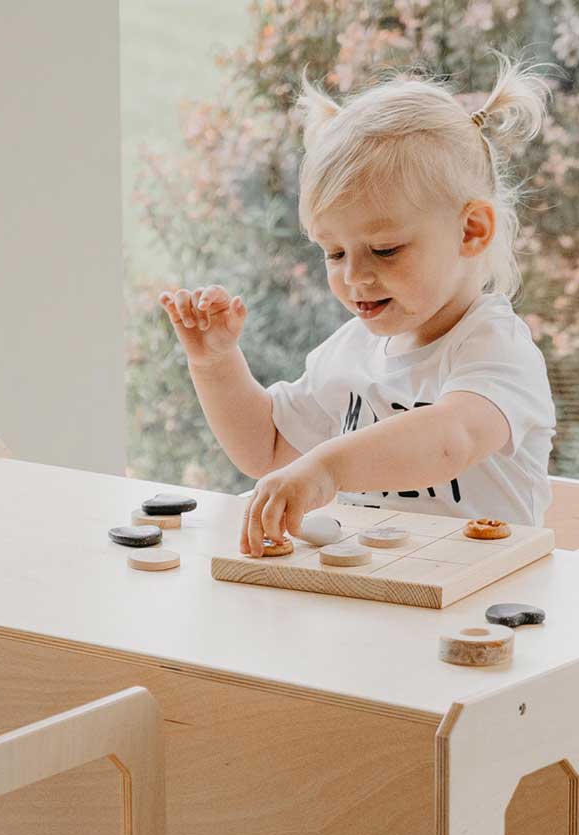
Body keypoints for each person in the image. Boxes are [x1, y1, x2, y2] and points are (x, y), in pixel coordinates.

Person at [159, 59, 558, 554]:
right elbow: (268, 450)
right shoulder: (350, 351)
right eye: (335, 253)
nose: (354, 277)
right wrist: (215, 363)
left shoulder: (495, 348)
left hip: (484, 608)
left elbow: (451, 439)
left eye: (385, 250)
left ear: (471, 231)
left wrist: (327, 469)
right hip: (378, 594)